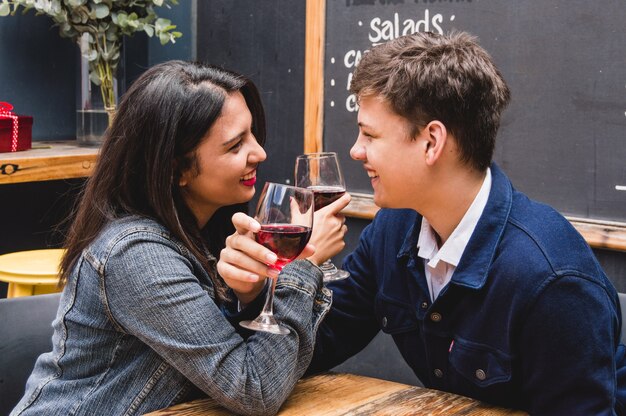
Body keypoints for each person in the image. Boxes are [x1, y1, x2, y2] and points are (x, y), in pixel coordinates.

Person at [217, 31, 626, 414]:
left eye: (369, 135)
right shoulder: (394, 230)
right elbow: (318, 345)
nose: (356, 152)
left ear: (432, 142)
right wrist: (257, 292)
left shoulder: (553, 282)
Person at [11, 60, 349, 416]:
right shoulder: (136, 254)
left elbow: (250, 369)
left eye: (253, 134)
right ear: (178, 169)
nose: (260, 153)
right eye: (235, 146)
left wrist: (252, 298)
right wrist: (303, 266)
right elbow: (254, 391)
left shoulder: (210, 234)